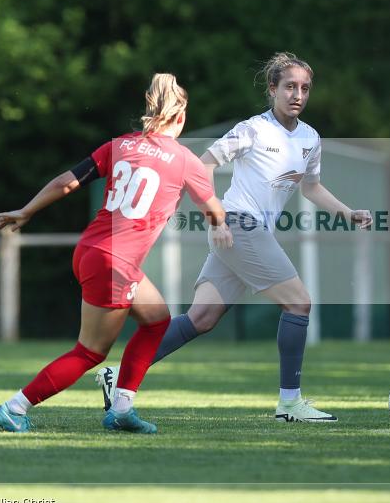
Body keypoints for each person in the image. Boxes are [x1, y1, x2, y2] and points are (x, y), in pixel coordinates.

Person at [97, 52, 373, 422]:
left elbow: (312, 188)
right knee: (299, 304)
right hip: (239, 226)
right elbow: (204, 164)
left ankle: (116, 377)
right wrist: (216, 219)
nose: (298, 94)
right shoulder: (252, 129)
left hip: (244, 233)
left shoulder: (310, 138)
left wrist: (348, 212)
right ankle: (290, 403)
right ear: (272, 89)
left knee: (202, 317)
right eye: (290, 86)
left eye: (305, 88)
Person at [0, 73, 225, 434]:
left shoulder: (119, 145)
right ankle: (15, 406)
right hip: (116, 264)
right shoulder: (184, 160)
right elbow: (214, 210)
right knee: (90, 352)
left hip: (91, 250)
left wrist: (27, 210)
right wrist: (221, 222)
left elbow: (65, 182)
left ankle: (122, 409)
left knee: (157, 320)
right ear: (181, 118)